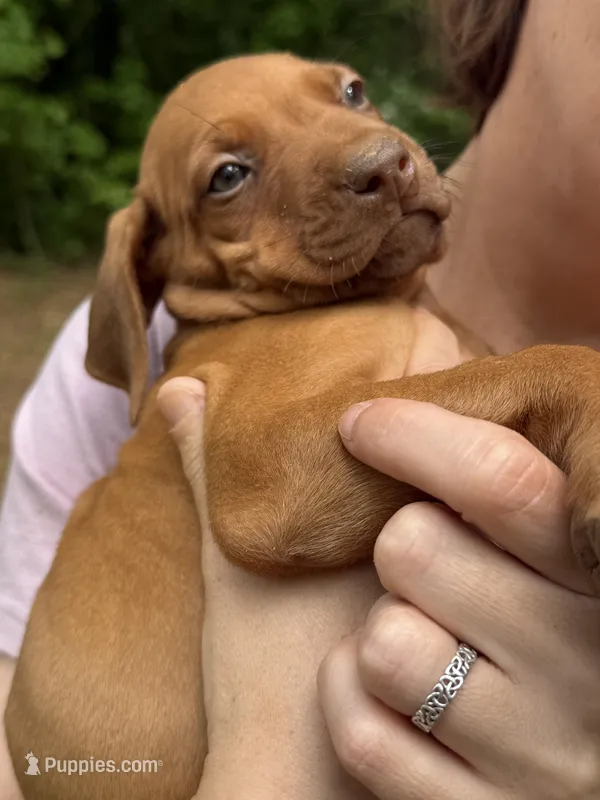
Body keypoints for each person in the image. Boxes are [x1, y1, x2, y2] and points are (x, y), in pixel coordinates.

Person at [1, 0, 600, 796]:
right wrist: (564, 398)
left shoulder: (394, 319)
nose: (372, 155)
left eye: (350, 96)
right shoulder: (221, 360)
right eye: (229, 177)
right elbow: (274, 504)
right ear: (155, 268)